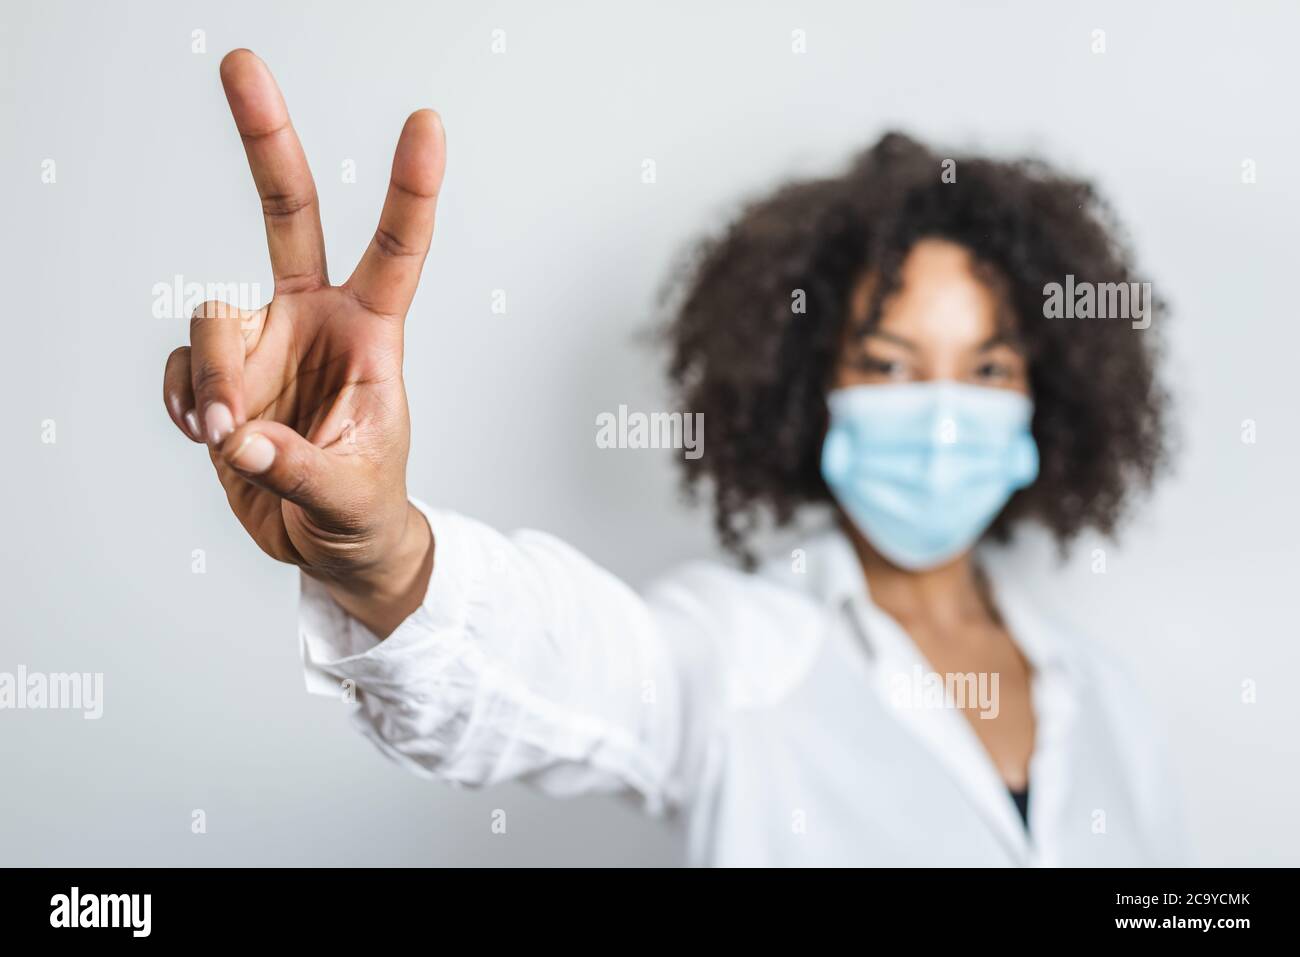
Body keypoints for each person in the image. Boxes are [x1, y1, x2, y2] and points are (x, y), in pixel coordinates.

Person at [162, 49, 1185, 866]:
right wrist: (380, 554)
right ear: (806, 391)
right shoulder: (739, 657)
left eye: (986, 367)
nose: (941, 411)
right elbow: (564, 667)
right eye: (887, 363)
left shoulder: (1107, 701)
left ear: (1048, 396)